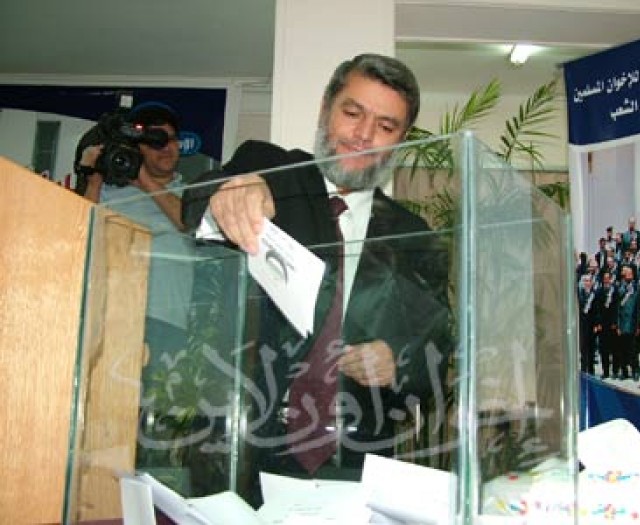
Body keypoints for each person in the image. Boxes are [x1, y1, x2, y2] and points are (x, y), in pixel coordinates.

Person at [182, 54, 452, 506]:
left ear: (400, 141)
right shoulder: (270, 169)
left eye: (385, 126)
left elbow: (438, 354)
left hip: (356, 461)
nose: (363, 134)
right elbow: (196, 201)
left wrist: (398, 362)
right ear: (326, 108)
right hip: (240, 445)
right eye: (353, 112)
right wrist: (228, 196)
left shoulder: (414, 237)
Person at [74, 103, 195, 449]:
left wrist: (143, 180)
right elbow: (81, 235)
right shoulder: (111, 193)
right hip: (114, 319)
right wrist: (93, 178)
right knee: (104, 422)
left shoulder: (189, 193)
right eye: (156, 141)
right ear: (137, 148)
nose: (167, 147)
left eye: (171, 139)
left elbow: (187, 222)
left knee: (155, 428)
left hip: (168, 325)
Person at [616, 265, 640, 380]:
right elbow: (617, 308)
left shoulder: (636, 287)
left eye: (630, 273)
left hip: (632, 323)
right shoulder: (620, 287)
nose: (629, 275)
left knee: (633, 350)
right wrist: (617, 325)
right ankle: (624, 372)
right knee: (622, 349)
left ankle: (635, 371)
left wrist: (639, 325)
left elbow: (638, 307)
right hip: (622, 323)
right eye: (627, 273)